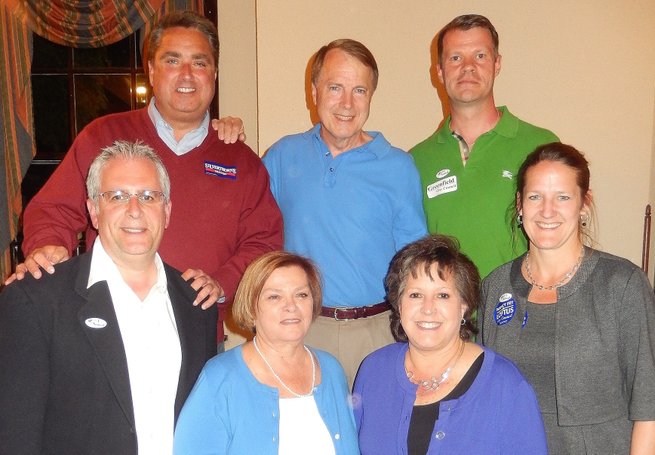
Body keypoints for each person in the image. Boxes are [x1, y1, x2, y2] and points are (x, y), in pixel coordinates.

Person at [11, 11, 283, 344]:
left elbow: (263, 243)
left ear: (214, 73)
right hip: (106, 327)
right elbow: (54, 211)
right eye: (172, 60)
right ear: (152, 71)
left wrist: (221, 282)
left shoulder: (243, 162)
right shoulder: (103, 137)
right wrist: (48, 247)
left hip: (196, 329)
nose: (186, 74)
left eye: (199, 63)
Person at [0, 141, 217, 454]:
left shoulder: (196, 306)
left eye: (148, 196)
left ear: (166, 211)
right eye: (116, 196)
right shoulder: (36, 301)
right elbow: (15, 438)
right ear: (93, 211)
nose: (134, 209)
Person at [478, 142, 655, 454]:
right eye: (535, 196)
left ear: (584, 204)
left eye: (563, 197)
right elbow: (485, 394)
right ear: (520, 204)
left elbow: (651, 406)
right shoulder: (496, 286)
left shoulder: (622, 285)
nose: (547, 211)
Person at [262, 39, 427, 384]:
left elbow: (416, 264)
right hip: (303, 330)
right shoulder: (281, 157)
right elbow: (252, 234)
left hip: (378, 335)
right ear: (314, 91)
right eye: (335, 87)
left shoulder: (399, 167)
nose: (347, 104)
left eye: (360, 90)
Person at [353, 234, 547, 454]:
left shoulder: (506, 384)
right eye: (415, 294)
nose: (428, 308)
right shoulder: (374, 370)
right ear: (399, 304)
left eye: (443, 295)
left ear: (464, 304)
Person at [411, 14, 558, 278]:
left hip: (524, 315)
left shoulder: (541, 146)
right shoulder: (416, 160)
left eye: (480, 56)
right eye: (456, 58)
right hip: (448, 317)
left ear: (497, 64)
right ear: (440, 72)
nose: (468, 67)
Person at [173, 251, 358, 454]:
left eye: (301, 295)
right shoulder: (220, 378)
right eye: (274, 297)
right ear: (252, 308)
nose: (291, 306)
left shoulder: (331, 369)